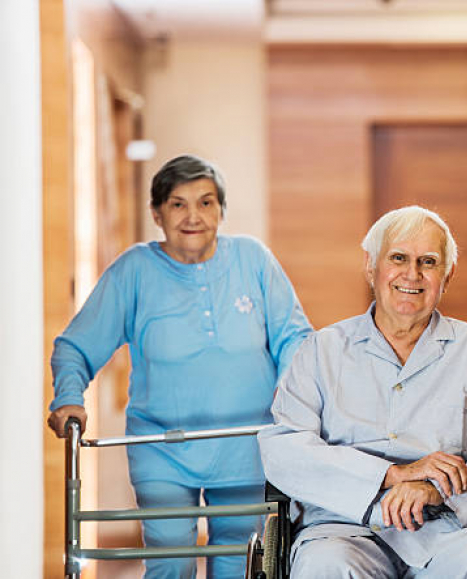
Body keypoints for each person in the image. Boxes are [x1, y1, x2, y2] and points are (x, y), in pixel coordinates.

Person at [47, 155, 313, 578]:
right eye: (178, 204)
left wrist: (296, 399)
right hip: (162, 449)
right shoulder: (134, 272)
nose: (194, 217)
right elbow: (75, 346)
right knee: (171, 559)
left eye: (206, 203)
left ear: (221, 211)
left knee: (239, 561)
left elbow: (295, 340)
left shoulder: (253, 260)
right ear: (157, 213)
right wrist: (68, 398)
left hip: (245, 444)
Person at [258, 206, 467, 578]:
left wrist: (435, 488)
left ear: (448, 274)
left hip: (448, 530)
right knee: (325, 567)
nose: (412, 274)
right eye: (398, 258)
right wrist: (391, 475)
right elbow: (283, 450)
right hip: (343, 529)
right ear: (371, 266)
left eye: (428, 261)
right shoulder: (322, 350)